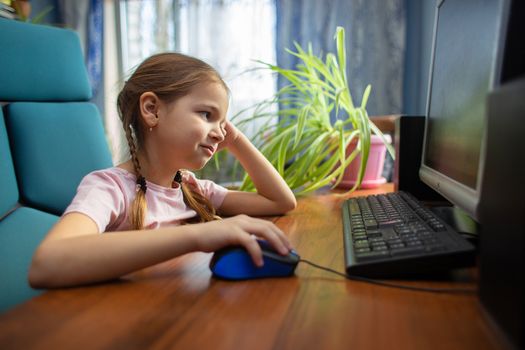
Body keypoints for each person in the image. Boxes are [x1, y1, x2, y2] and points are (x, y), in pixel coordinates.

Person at [28, 52, 297, 289]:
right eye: (206, 114)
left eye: (223, 123)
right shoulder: (110, 188)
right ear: (151, 109)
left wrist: (237, 140)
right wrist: (198, 235)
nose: (219, 133)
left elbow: (280, 201)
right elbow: (47, 263)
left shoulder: (192, 188)